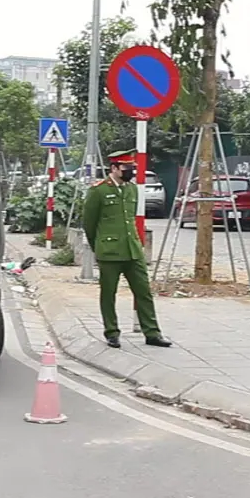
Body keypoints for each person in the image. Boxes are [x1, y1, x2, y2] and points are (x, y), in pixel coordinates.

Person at [82, 149, 172, 349]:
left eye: (132, 168)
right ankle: (112, 332)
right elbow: (89, 223)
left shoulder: (131, 189)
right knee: (108, 293)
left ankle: (152, 332)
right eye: (126, 168)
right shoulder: (98, 191)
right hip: (109, 251)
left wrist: (137, 244)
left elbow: (130, 218)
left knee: (144, 292)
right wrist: (99, 246)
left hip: (132, 249)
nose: (130, 171)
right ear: (114, 168)